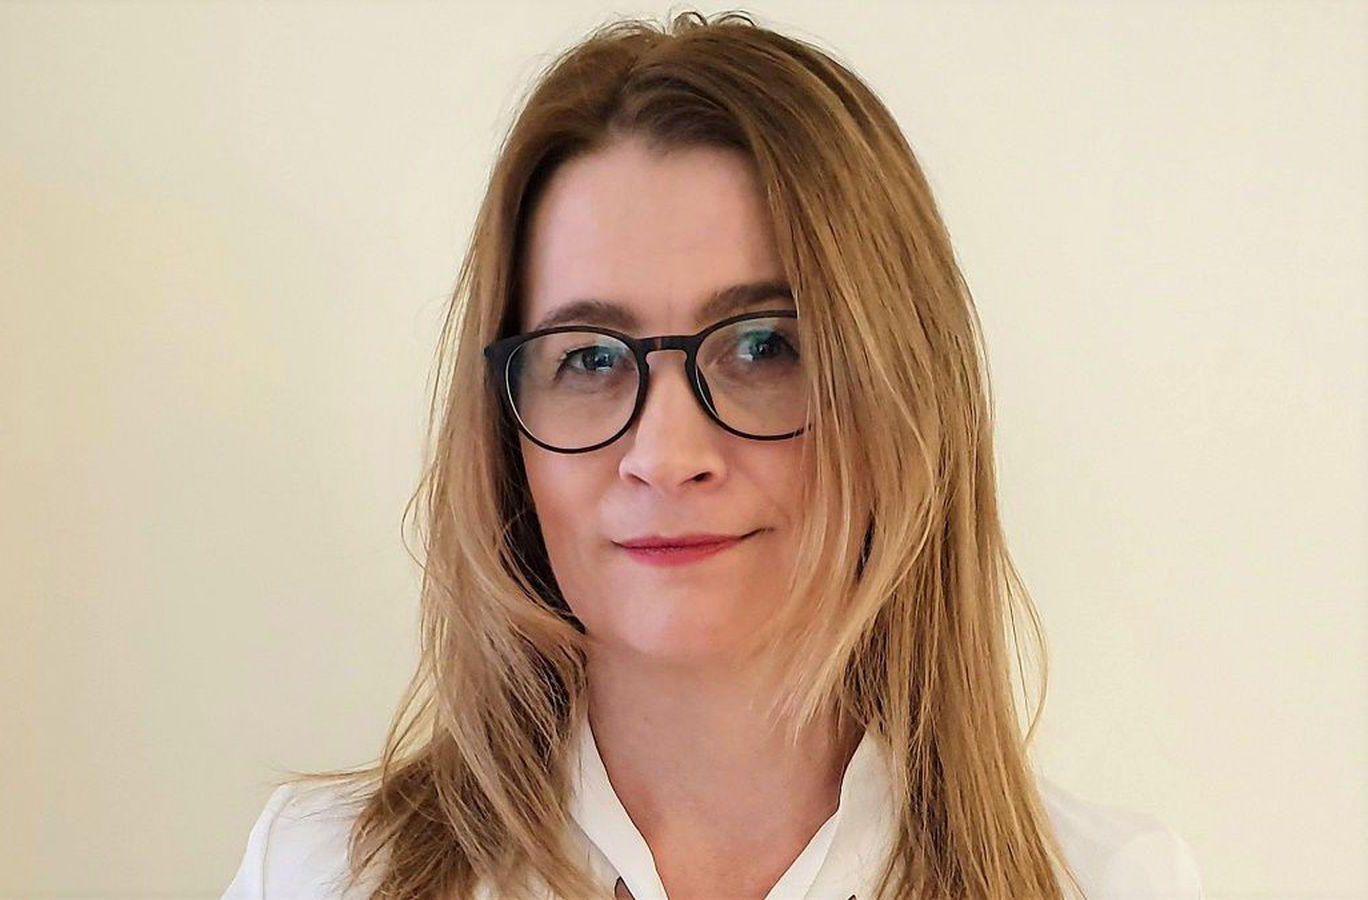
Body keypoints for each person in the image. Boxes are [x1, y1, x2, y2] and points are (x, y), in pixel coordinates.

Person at [220, 10, 1205, 899]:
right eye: (588, 358)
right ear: (504, 437)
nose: (664, 454)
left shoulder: (1109, 886)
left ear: (903, 395)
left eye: (763, 347)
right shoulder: (320, 875)